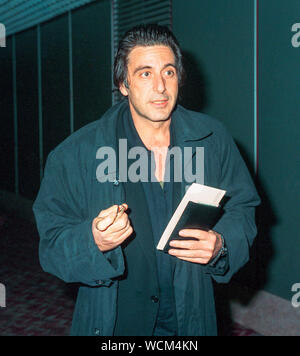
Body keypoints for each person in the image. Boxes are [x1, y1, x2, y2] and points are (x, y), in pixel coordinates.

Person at [33, 24, 260, 336]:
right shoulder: (75, 154)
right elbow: (52, 246)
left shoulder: (213, 139)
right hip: (115, 322)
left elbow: (243, 208)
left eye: (168, 72)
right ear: (122, 84)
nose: (160, 87)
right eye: (145, 73)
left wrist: (222, 244)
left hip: (190, 318)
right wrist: (94, 241)